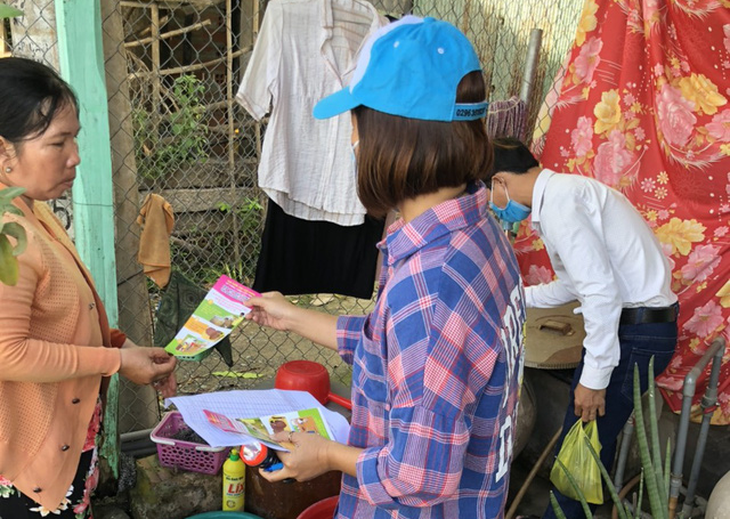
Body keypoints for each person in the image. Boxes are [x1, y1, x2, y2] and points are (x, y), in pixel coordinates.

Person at [244, 16, 526, 519]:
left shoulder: (432, 288)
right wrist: (290, 315)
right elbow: (398, 350)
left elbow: (416, 476)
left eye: (355, 123)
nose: (350, 140)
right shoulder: (477, 233)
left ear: (386, 138)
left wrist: (326, 455)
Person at [0, 57, 177, 518]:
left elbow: (63, 318)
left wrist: (124, 347)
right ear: (3, 153)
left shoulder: (28, 212)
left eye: (74, 138)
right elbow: (7, 352)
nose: (75, 155)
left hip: (61, 444)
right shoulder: (7, 237)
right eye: (59, 142)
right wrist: (117, 360)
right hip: (26, 466)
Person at [486, 137, 678, 519]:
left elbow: (599, 292)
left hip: (636, 333)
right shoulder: (563, 195)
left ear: (500, 180)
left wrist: (594, 377)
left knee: (580, 455)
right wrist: (513, 297)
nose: (492, 204)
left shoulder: (560, 204)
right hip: (639, 328)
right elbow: (575, 285)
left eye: (487, 191)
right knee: (585, 452)